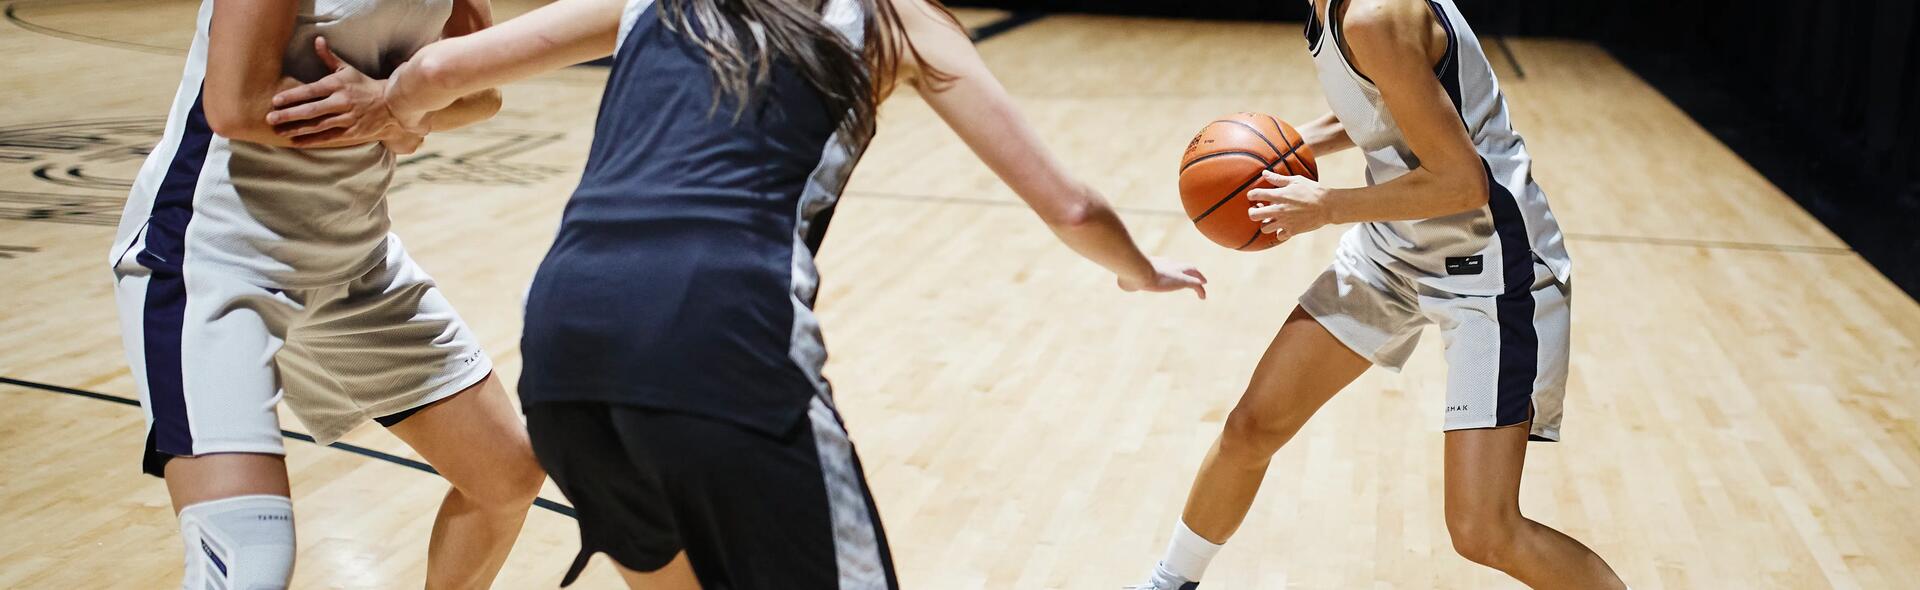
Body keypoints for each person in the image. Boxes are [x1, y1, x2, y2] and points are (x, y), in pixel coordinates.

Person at [267, 0, 1207, 586]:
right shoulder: (893, 15)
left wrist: (388, 108)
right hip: (719, 339)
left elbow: (437, 72)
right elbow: (1072, 204)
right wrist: (1141, 270)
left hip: (562, 350)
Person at [1127, 0, 1626, 588]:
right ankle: (1167, 584)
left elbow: (1463, 182)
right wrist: (1272, 153)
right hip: (1393, 250)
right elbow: (1382, 103)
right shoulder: (1328, 9)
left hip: (1492, 269)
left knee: (1484, 531)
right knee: (1251, 429)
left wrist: (1328, 206)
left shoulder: (1373, 15)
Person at [107, 0, 543, 587]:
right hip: (218, 259)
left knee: (507, 478)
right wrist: (393, 109)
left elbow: (480, 90)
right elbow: (236, 104)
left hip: (355, 260)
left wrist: (395, 110)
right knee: (250, 558)